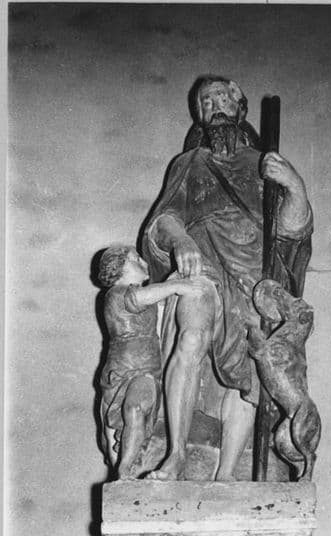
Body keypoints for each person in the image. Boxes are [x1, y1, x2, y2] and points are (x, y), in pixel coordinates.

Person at [141, 75, 313, 481]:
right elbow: (162, 219)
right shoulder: (189, 163)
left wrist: (294, 186)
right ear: (199, 116)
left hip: (253, 275)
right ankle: (176, 455)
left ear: (239, 107)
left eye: (221, 98)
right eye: (205, 102)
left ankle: (227, 473)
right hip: (201, 265)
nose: (214, 106)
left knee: (252, 372)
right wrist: (181, 239)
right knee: (191, 336)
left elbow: (291, 233)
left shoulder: (263, 164)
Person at [97, 245, 205, 479]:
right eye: (136, 259)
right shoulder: (116, 294)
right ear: (119, 268)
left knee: (135, 408)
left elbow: (159, 307)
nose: (145, 263)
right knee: (113, 433)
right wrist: (177, 286)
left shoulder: (149, 297)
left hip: (145, 372)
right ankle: (121, 473)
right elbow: (140, 298)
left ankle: (124, 469)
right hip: (118, 373)